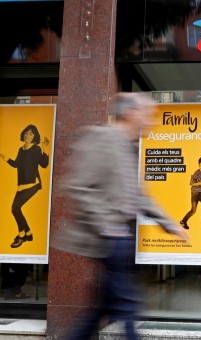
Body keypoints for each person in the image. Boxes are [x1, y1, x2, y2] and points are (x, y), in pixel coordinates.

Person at [57, 92, 189, 340]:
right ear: (130, 114)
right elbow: (78, 186)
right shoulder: (102, 139)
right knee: (127, 303)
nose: (151, 121)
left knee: (104, 307)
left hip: (120, 238)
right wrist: (106, 223)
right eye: (147, 114)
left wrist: (170, 224)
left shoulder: (130, 148)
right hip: (109, 237)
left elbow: (139, 197)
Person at [0, 124, 50, 248]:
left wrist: (45, 148)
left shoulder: (36, 149)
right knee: (16, 209)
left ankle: (21, 235)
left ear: (35, 137)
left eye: (31, 133)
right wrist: (4, 157)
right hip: (21, 186)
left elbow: (44, 164)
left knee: (15, 209)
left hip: (33, 184)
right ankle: (29, 233)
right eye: (26, 133)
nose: (27, 135)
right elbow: (16, 164)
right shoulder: (21, 149)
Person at [179, 156, 201, 230]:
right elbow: (191, 183)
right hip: (195, 194)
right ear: (199, 164)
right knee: (193, 210)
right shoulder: (196, 173)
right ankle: (183, 221)